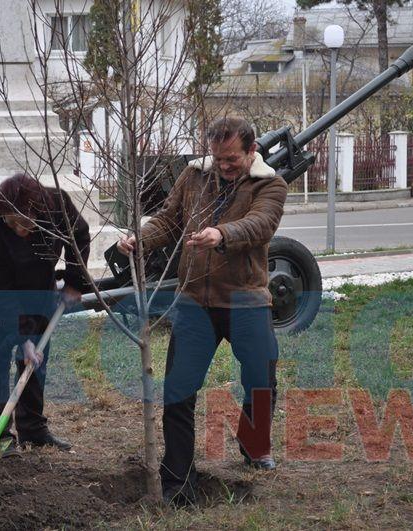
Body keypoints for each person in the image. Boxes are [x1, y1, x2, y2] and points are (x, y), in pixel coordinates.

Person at [117, 116, 288, 506]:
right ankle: (177, 479)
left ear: (251, 150)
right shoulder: (194, 177)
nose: (223, 166)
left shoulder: (270, 185)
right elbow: (168, 220)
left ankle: (254, 444)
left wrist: (222, 234)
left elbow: (260, 224)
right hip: (194, 301)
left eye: (232, 159)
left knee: (261, 380)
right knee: (178, 391)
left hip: (246, 300)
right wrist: (139, 239)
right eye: (218, 158)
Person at [0, 174, 90, 454]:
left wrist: (75, 282)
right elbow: (0, 294)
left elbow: (79, 237)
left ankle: (32, 428)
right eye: (12, 223)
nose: (19, 229)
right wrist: (23, 339)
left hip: (38, 285)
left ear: (39, 211)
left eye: (25, 222)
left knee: (37, 358)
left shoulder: (57, 205)